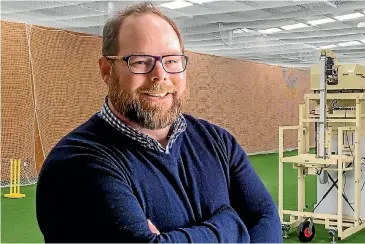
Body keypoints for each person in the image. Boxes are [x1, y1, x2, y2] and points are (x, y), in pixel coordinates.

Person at [35, 2, 282, 243]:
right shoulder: (76, 164)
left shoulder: (219, 142)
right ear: (106, 70)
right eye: (141, 61)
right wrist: (231, 222)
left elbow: (266, 218)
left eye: (172, 60)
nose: (160, 74)